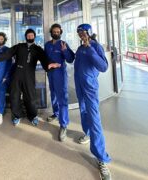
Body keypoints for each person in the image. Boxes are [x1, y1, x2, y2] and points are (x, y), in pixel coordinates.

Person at [0, 28, 59, 126]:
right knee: (14, 96)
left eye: (32, 35)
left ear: (34, 37)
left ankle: (32, 116)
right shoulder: (19, 46)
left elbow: (45, 59)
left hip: (29, 76)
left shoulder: (37, 49)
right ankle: (17, 116)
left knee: (30, 97)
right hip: (17, 75)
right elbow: (7, 54)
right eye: (28, 35)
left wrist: (49, 64)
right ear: (26, 37)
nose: (30, 37)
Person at [74, 23, 111, 180]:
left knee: (94, 119)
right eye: (79, 33)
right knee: (83, 110)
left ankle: (102, 158)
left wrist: (90, 48)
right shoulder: (80, 48)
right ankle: (87, 133)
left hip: (90, 87)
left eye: (83, 32)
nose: (81, 35)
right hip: (79, 85)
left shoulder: (95, 46)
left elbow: (103, 67)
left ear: (89, 32)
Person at [45, 23, 75, 142]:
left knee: (62, 99)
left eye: (58, 32)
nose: (56, 33)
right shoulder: (47, 45)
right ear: (51, 32)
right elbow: (44, 58)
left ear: (60, 33)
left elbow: (70, 59)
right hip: (50, 74)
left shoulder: (63, 44)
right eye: (54, 31)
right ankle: (56, 113)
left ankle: (63, 124)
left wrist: (65, 51)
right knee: (53, 95)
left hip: (60, 75)